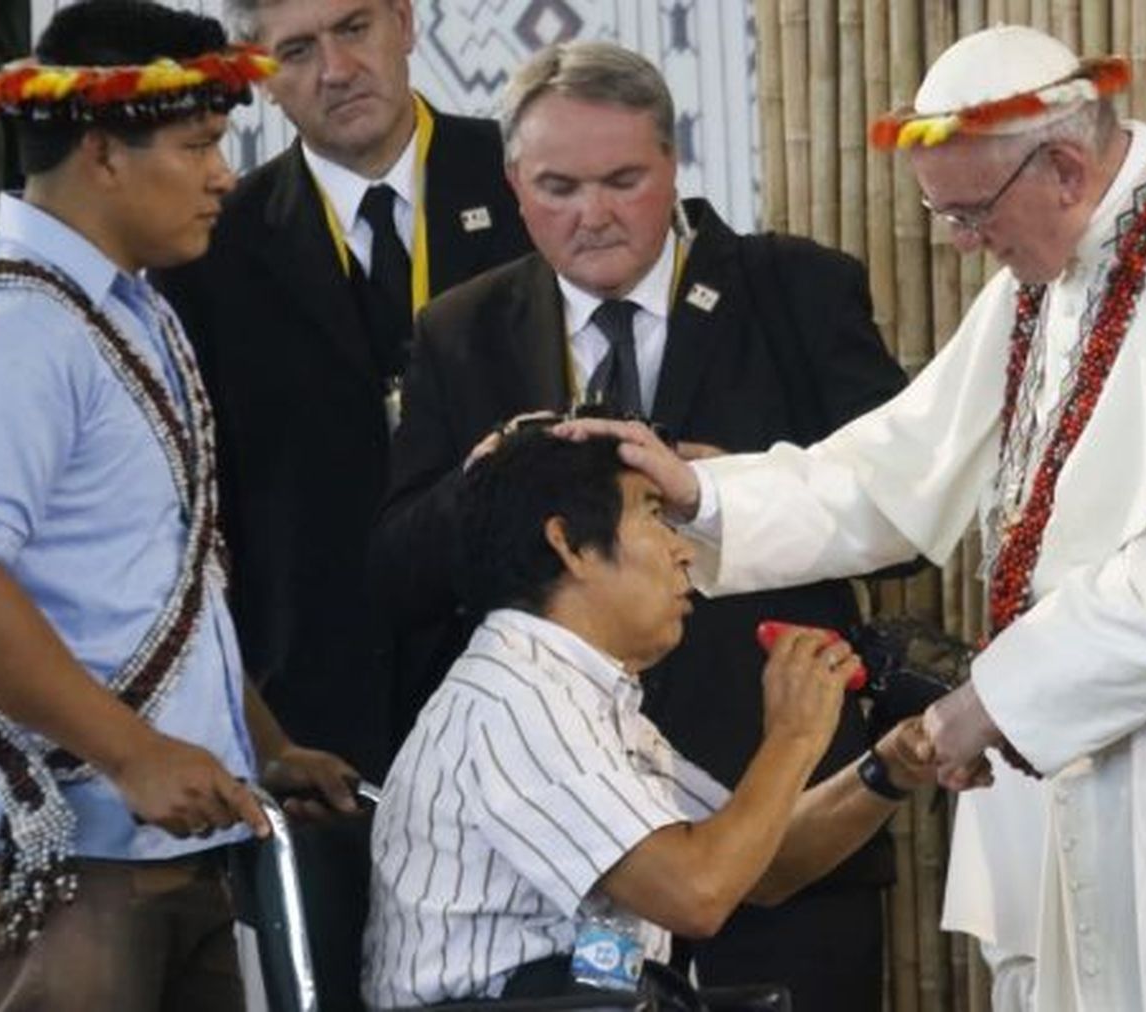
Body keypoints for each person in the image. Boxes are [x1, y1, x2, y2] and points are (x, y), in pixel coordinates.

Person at [564, 24, 1146, 1012]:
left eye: (968, 214)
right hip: (1111, 744)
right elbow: (894, 469)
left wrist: (983, 705)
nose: (963, 245)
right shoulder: (1053, 272)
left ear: (1062, 165)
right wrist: (705, 493)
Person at [368, 40, 909, 1011]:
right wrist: (495, 475)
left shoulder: (796, 288)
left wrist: (730, 491)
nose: (594, 213)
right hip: (559, 865)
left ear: (673, 164)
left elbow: (909, 520)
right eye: (558, 186)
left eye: (624, 179)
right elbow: (399, 573)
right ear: (512, 185)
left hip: (775, 809)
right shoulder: (463, 327)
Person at [0, 4, 359, 1010]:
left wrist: (260, 742)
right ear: (101, 152)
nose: (225, 174)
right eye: (199, 145)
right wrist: (134, 752)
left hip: (161, 845)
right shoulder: (11, 328)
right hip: (58, 858)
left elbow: (164, 584)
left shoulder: (127, 309)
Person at [362, 427, 937, 1008]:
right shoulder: (513, 699)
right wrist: (792, 737)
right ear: (570, 544)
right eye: (656, 517)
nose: (685, 550)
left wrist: (889, 769)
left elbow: (759, 865)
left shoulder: (579, 692)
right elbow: (698, 892)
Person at [156, 0, 530, 783]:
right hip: (321, 716)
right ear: (258, 74)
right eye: (296, 50)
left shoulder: (532, 180)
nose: (334, 70)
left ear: (404, 22)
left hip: (531, 684)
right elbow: (201, 499)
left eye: (354, 28)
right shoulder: (207, 243)